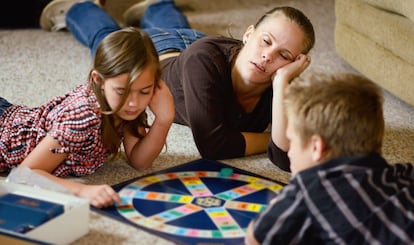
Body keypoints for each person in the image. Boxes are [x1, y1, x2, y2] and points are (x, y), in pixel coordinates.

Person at [40, 0, 315, 169]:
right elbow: (214, 145)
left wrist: (281, 85)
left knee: (178, 28)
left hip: (192, 42)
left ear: (295, 64)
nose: (268, 56)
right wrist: (272, 140)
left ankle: (157, 5)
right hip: (160, 54)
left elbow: (286, 160)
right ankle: (80, 7)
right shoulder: (204, 59)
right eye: (265, 41)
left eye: (285, 55)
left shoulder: (282, 81)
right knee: (108, 38)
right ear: (248, 34)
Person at [0, 27, 175, 208]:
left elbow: (140, 161)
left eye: (145, 91)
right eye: (122, 91)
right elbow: (23, 176)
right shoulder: (82, 118)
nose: (134, 103)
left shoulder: (125, 105)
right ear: (98, 80)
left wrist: (164, 119)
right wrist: (81, 190)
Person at [245, 73, 414, 244]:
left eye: (292, 142)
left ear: (317, 148)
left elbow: (256, 238)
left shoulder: (311, 189)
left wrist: (278, 205)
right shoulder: (403, 174)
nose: (289, 152)